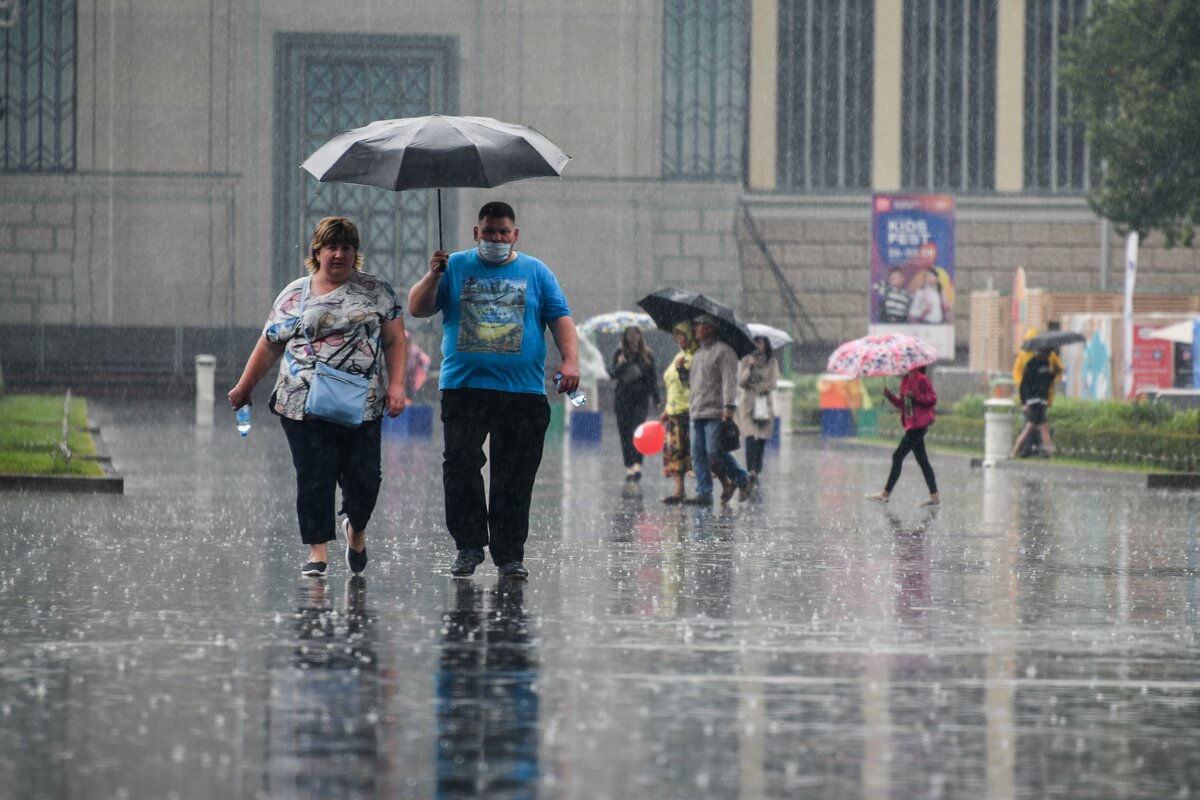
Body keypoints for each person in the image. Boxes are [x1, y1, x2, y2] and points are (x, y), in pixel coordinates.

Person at [407, 201, 579, 581]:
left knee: (514, 475)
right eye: (489, 232)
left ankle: (509, 554)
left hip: (523, 393)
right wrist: (432, 275)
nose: (496, 239)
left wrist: (570, 361)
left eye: (503, 232)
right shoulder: (454, 267)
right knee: (461, 466)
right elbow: (417, 309)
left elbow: (560, 318)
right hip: (464, 389)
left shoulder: (536, 272)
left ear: (515, 234)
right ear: (476, 233)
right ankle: (469, 546)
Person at [228, 216, 407, 578]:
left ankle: (356, 530)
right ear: (317, 251)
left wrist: (398, 386)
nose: (339, 254)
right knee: (314, 476)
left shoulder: (376, 291)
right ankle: (318, 552)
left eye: (346, 247)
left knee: (365, 480)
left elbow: (395, 340)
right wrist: (244, 387)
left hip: (362, 404)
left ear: (356, 253)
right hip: (302, 404)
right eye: (331, 247)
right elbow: (270, 344)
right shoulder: (296, 295)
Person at [685, 313, 752, 507]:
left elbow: (729, 381)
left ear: (710, 328)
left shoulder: (724, 352)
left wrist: (729, 406)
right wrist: (683, 374)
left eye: (699, 325)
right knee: (697, 454)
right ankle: (704, 492)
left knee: (714, 451)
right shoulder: (697, 354)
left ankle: (742, 479)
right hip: (696, 410)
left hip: (714, 411)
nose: (695, 328)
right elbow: (695, 383)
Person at [865, 365, 939, 507]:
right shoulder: (905, 380)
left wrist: (916, 397)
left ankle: (885, 494)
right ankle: (934, 496)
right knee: (923, 461)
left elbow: (933, 399)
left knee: (897, 456)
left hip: (919, 426)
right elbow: (903, 404)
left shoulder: (922, 380)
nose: (900, 366)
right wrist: (890, 396)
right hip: (911, 425)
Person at [608, 326, 661, 482]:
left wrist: (656, 398)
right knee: (624, 434)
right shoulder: (619, 353)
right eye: (630, 334)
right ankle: (629, 467)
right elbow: (612, 374)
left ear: (640, 336)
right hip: (622, 399)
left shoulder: (647, 355)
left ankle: (638, 464)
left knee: (638, 432)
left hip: (640, 399)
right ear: (625, 337)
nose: (633, 337)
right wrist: (621, 364)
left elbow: (652, 379)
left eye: (636, 334)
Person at [659, 320, 698, 504]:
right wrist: (667, 409)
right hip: (673, 412)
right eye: (677, 336)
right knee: (674, 451)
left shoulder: (695, 357)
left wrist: (682, 369)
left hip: (688, 411)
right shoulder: (679, 356)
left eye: (682, 335)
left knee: (690, 450)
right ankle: (679, 489)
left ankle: (711, 485)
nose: (679, 339)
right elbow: (672, 386)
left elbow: (691, 384)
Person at [1012, 330, 1064, 457]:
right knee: (1033, 428)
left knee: (1040, 429)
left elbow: (1047, 381)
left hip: (1041, 401)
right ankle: (1015, 452)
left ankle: (1049, 454)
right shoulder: (1031, 364)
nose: (1048, 354)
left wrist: (1055, 372)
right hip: (1034, 402)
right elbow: (1024, 385)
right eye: (1047, 352)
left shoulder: (1046, 363)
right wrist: (1024, 402)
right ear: (1041, 352)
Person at [736, 335, 780, 484]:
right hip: (748, 403)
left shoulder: (772, 362)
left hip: (763, 403)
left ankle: (757, 469)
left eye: (760, 342)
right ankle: (750, 470)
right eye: (755, 342)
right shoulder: (746, 359)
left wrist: (759, 387)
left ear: (766, 344)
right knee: (749, 436)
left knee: (761, 437)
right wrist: (749, 368)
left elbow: (773, 383)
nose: (757, 345)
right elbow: (741, 382)